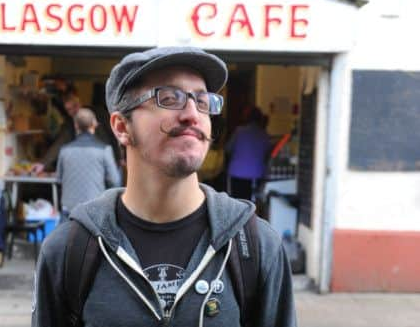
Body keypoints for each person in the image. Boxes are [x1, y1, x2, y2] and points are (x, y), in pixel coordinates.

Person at [32, 46, 296, 327]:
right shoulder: (69, 252)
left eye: (203, 101)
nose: (192, 114)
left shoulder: (255, 247)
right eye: (170, 98)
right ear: (121, 127)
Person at [56, 108, 122, 217]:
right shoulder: (105, 150)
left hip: (69, 212)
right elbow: (115, 182)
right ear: (94, 124)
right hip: (95, 211)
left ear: (76, 126)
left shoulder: (64, 150)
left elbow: (59, 179)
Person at [226, 105, 271, 200]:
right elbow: (268, 153)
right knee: (252, 203)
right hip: (257, 174)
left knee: (235, 202)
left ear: (246, 117)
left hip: (237, 173)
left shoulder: (239, 131)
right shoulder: (264, 134)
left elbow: (228, 149)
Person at [31, 93, 81, 174]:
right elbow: (60, 143)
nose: (70, 113)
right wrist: (43, 163)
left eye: (72, 108)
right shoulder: (70, 123)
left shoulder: (96, 116)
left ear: (78, 105)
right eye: (68, 110)